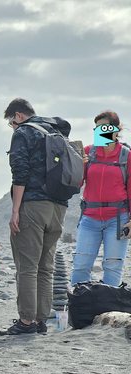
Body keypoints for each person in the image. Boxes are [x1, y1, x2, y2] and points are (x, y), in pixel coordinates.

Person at [3, 97, 72, 335]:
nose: (12, 127)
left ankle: (26, 322)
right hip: (59, 207)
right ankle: (41, 320)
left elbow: (19, 171)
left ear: (18, 115)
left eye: (11, 123)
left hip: (33, 205)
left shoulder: (24, 132)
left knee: (27, 266)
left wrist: (15, 210)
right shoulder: (56, 131)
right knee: (45, 268)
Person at [71, 110, 131, 286]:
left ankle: (110, 303)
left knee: (113, 265)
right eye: (96, 128)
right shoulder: (88, 152)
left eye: (104, 127)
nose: (100, 131)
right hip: (90, 218)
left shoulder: (127, 156)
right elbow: (76, 185)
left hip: (118, 219)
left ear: (115, 130)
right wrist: (78, 166)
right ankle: (79, 302)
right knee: (81, 265)